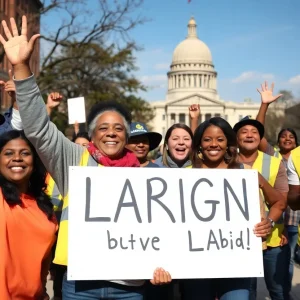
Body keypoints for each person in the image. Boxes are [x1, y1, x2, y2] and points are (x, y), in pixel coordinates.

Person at [0, 15, 171, 299]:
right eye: (103, 128)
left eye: (119, 129)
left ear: (127, 138)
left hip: (130, 288)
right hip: (80, 286)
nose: (112, 133)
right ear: (92, 137)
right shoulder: (74, 160)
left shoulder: (150, 178)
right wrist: (21, 67)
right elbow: (38, 128)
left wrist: (165, 266)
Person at [180, 117, 272, 300]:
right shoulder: (184, 177)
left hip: (236, 265)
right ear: (199, 144)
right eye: (207, 139)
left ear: (228, 143)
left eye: (220, 139)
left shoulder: (244, 173)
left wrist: (267, 222)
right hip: (196, 266)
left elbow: (278, 201)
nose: (213, 144)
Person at [233, 116, 289, 300]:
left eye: (254, 132)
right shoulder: (225, 162)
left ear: (260, 137)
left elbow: (282, 200)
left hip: (272, 239)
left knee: (277, 290)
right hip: (239, 241)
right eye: (244, 132)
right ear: (236, 138)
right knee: (246, 291)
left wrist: (270, 222)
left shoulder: (274, 162)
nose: (249, 135)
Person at [0, 130, 57, 299]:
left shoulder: (45, 209)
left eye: (25, 153)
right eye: (8, 153)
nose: (17, 158)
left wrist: (43, 291)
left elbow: (44, 261)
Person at [256, 81, 300, 295]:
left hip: (291, 220)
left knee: (288, 261)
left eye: (291, 137)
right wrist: (264, 106)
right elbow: (258, 134)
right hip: (277, 221)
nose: (287, 139)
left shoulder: (298, 157)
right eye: (283, 136)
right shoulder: (271, 156)